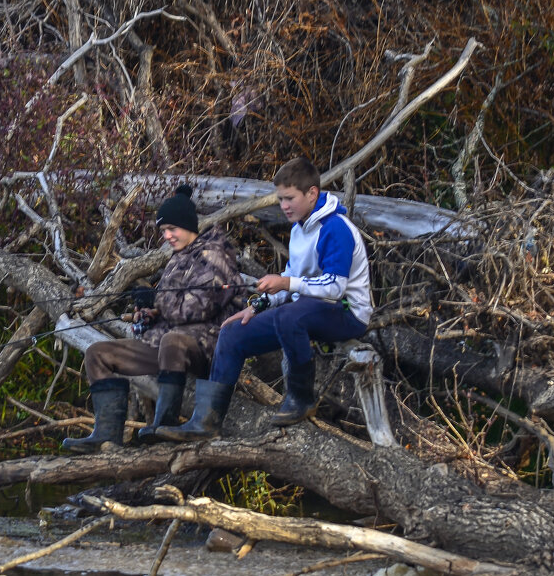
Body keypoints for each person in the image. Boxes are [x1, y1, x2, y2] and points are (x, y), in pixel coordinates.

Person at [157, 157, 373, 442]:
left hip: (347, 315)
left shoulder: (336, 228)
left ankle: (300, 399)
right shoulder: (299, 229)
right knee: (233, 333)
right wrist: (256, 306)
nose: (283, 206)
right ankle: (205, 422)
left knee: (291, 314)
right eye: (280, 199)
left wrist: (285, 282)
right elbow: (293, 280)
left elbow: (334, 287)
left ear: (312, 194)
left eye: (289, 198)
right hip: (305, 312)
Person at [63, 184, 242, 453]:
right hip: (166, 345)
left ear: (189, 225)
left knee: (173, 340)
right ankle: (107, 434)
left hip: (207, 345)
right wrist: (150, 313)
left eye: (172, 229)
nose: (167, 236)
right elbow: (172, 308)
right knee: (97, 354)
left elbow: (196, 309)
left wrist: (155, 300)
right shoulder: (178, 257)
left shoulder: (213, 256)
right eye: (163, 231)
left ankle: (164, 424)